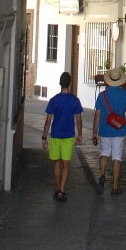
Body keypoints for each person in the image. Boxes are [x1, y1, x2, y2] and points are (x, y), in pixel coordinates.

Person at [41, 71, 83, 202]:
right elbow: (79, 119)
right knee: (66, 164)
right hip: (68, 135)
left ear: (60, 83)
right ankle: (62, 189)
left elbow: (48, 120)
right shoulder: (75, 100)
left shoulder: (54, 100)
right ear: (69, 83)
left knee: (57, 163)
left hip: (55, 135)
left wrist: (44, 137)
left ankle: (58, 188)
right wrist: (80, 134)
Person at [92, 66, 126, 194]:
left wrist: (94, 132)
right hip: (119, 131)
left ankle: (102, 174)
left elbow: (97, 115)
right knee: (117, 158)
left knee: (104, 153)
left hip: (105, 129)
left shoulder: (102, 95)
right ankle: (115, 186)